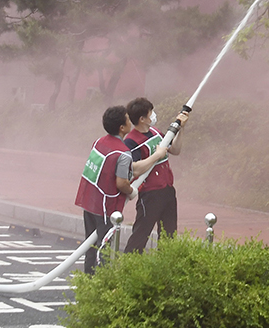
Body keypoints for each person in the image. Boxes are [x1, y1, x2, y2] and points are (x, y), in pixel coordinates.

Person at [73, 104, 176, 274]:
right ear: (122, 127)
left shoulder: (99, 142)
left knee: (90, 245)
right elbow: (121, 182)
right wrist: (131, 191)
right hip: (105, 207)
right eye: (128, 120)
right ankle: (103, 283)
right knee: (104, 247)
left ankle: (88, 281)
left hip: (89, 201)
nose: (131, 122)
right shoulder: (123, 153)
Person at [122, 97, 186, 253]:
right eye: (151, 113)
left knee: (169, 236)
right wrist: (156, 156)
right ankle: (130, 266)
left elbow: (175, 150)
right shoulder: (131, 141)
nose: (154, 115)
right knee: (140, 235)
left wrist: (181, 129)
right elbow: (134, 168)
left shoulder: (156, 132)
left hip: (167, 190)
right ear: (142, 119)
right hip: (149, 194)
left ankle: (165, 267)